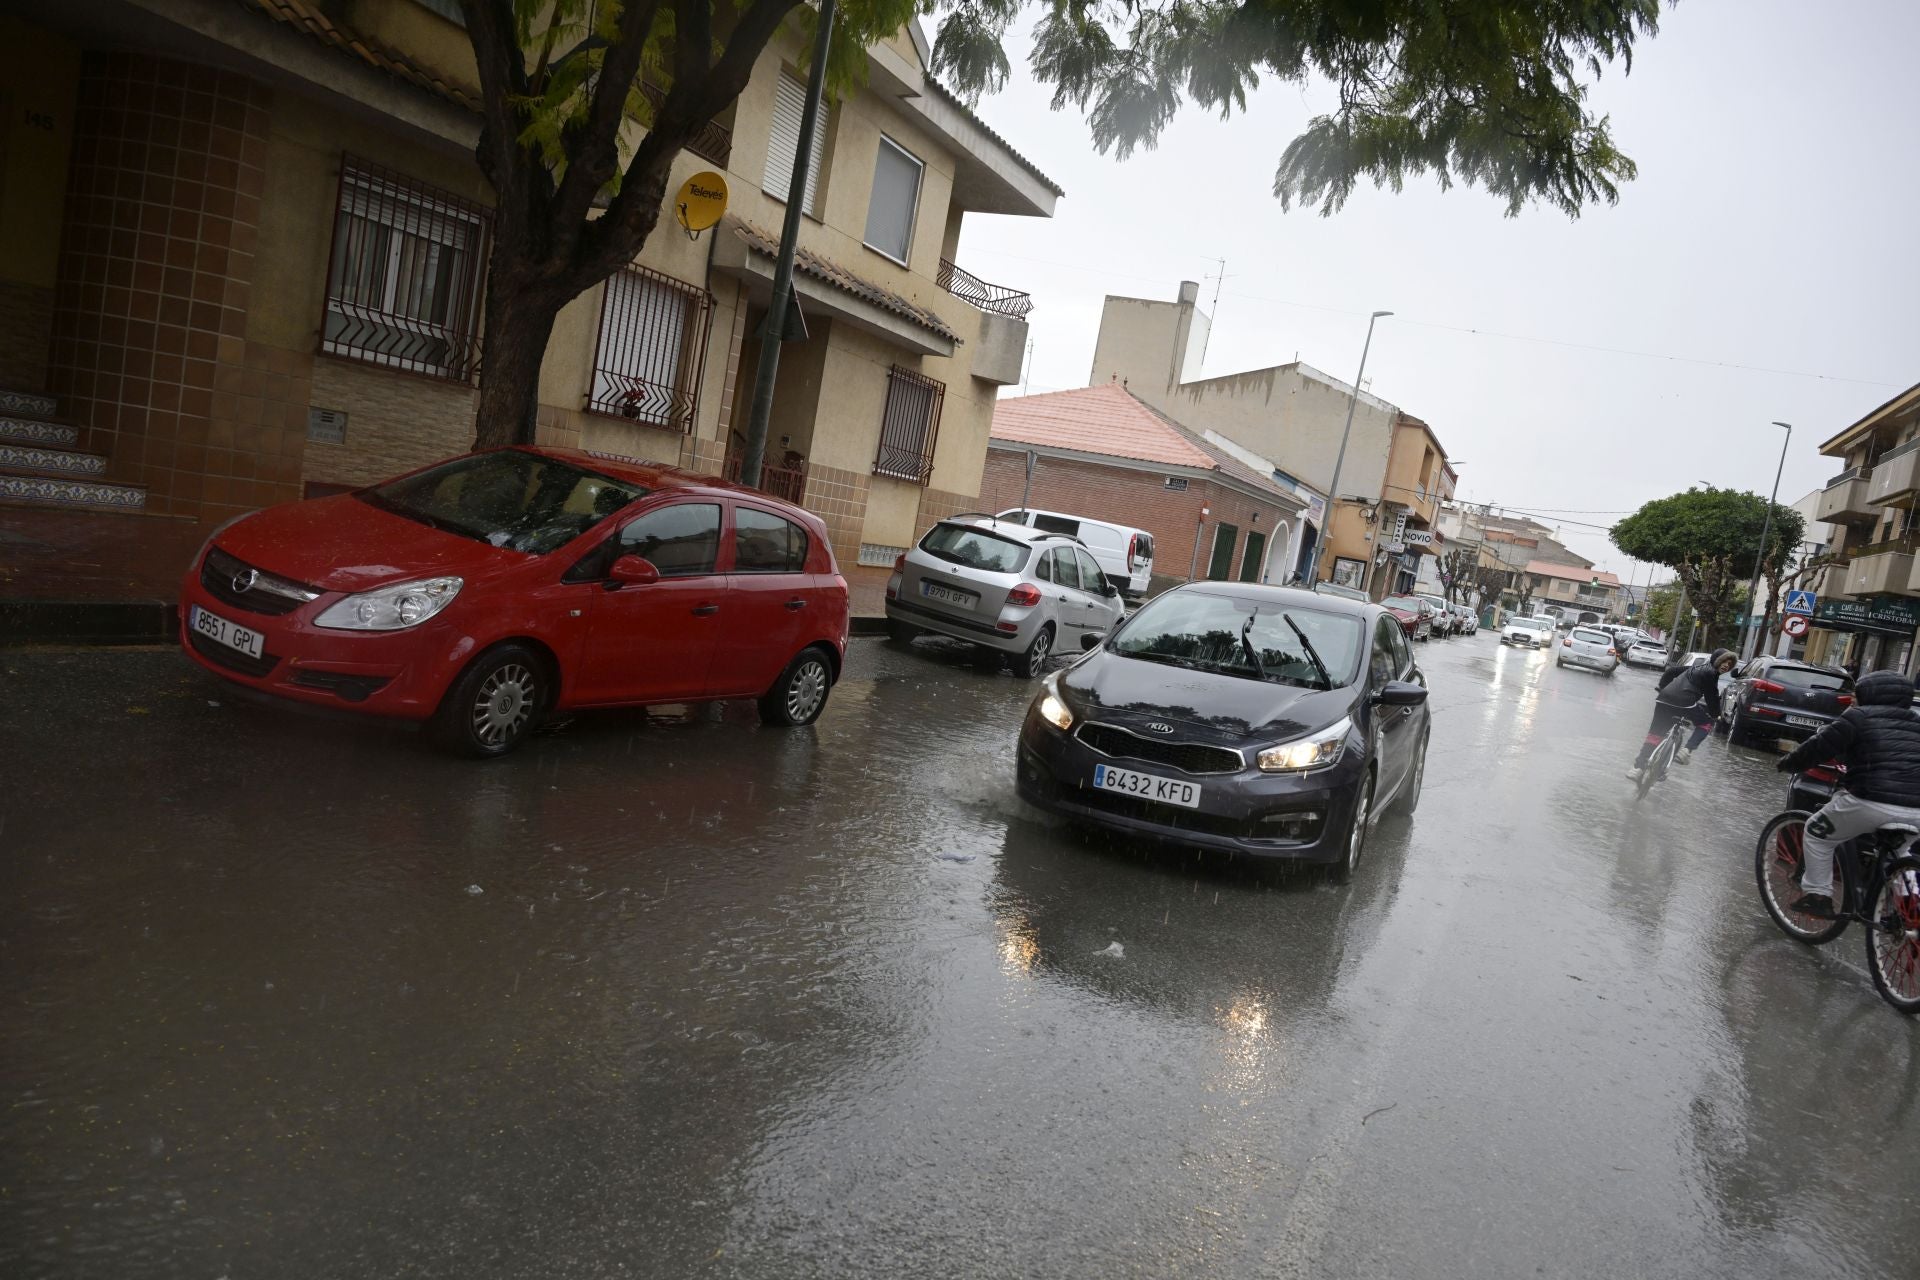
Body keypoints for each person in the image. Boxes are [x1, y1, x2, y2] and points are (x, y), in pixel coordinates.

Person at [1774, 670, 1920, 918]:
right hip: (1916, 809)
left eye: (1857, 693)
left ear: (1870, 693)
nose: (1852, 698)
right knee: (1901, 853)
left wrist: (1788, 763)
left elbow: (1817, 748)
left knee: (1817, 833)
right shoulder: (1917, 723)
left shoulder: (1857, 718)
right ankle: (1910, 909)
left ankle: (1818, 896)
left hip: (1870, 801)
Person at [1626, 647, 1737, 781]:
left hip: (1663, 700)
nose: (1726, 665)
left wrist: (1663, 688)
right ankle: (1686, 751)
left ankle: (1638, 768)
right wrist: (1716, 715)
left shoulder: (1695, 667)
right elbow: (1711, 697)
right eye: (1724, 661)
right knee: (1706, 724)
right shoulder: (1711, 673)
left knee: (1655, 735)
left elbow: (1671, 671)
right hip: (1684, 703)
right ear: (1716, 660)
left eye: (1730, 664)